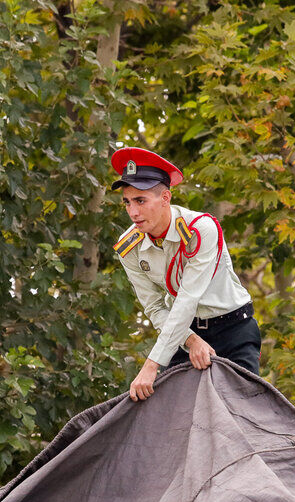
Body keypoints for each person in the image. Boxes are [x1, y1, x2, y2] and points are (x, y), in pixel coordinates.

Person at [109, 147, 260, 402]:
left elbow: (188, 299)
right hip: (185, 334)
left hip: (233, 329)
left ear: (165, 198)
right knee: (171, 415)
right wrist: (191, 341)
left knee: (247, 414)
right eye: (127, 202)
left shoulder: (200, 230)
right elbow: (155, 308)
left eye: (141, 201)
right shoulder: (129, 248)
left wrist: (151, 365)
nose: (133, 212)